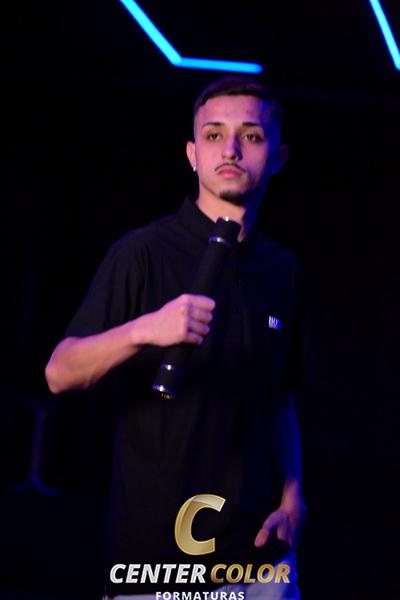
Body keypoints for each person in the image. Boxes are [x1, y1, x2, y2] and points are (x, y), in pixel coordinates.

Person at [45, 76, 307, 599]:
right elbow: (60, 372)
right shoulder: (143, 251)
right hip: (158, 561)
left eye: (251, 136)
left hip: (260, 562)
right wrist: (147, 328)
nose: (230, 149)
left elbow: (281, 396)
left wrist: (294, 498)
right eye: (214, 135)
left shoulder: (283, 270)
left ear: (277, 157)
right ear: (192, 154)